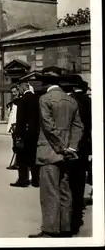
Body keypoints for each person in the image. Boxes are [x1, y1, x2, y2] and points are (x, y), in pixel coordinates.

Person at [29, 77, 83, 238]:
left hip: (50, 151)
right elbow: (78, 126)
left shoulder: (45, 99)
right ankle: (65, 227)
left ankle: (50, 229)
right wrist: (71, 147)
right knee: (65, 190)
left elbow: (48, 125)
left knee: (50, 192)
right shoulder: (71, 100)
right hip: (68, 154)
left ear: (45, 84)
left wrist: (61, 147)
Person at [69, 82, 92, 235]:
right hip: (85, 146)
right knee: (79, 183)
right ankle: (78, 215)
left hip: (73, 146)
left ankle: (72, 219)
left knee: (69, 184)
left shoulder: (72, 101)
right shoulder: (89, 101)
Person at [12, 82, 40, 188]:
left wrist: (17, 134)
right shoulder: (37, 98)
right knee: (33, 157)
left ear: (24, 88)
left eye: (19, 88)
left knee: (22, 159)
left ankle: (23, 180)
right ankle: (36, 181)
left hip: (24, 133)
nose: (19, 90)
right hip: (35, 133)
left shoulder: (22, 100)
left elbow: (20, 120)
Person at [6, 85, 21, 170]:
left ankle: (17, 163)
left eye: (15, 92)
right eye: (12, 92)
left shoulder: (20, 101)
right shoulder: (13, 102)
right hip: (13, 127)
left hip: (16, 126)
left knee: (17, 146)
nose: (13, 94)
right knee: (15, 146)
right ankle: (16, 162)